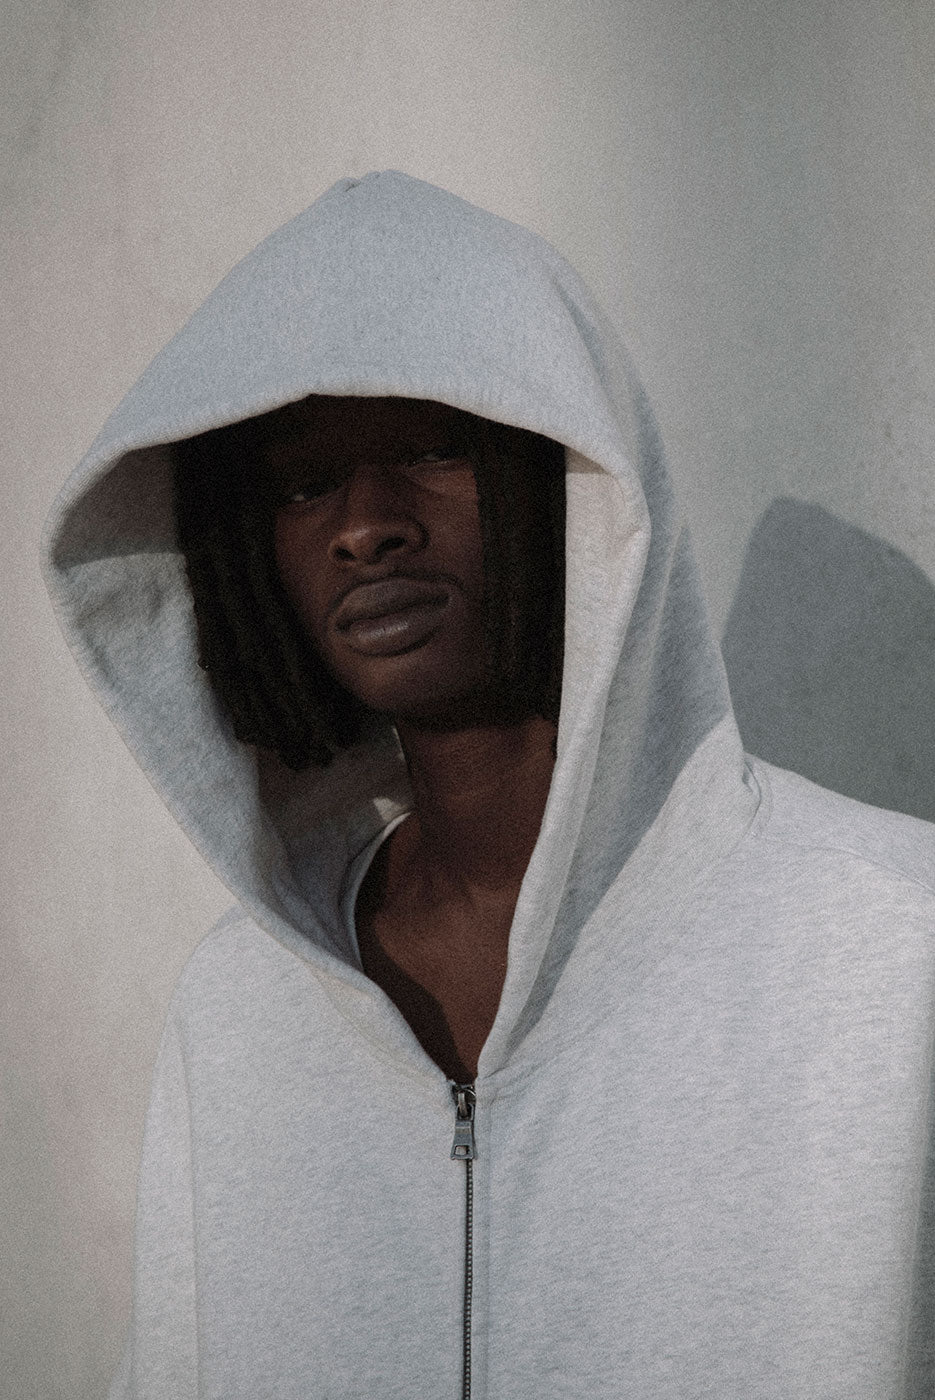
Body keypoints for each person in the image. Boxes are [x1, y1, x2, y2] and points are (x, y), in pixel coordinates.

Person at [43, 172, 935, 1399]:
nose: (364, 526)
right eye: (302, 484)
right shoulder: (240, 1008)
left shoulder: (892, 944)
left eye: (431, 446)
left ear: (566, 480)